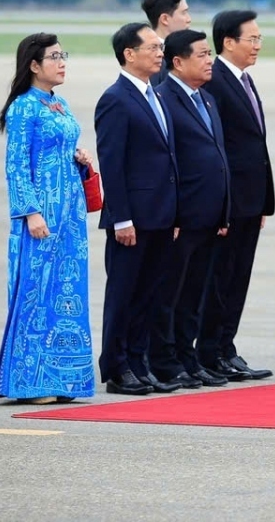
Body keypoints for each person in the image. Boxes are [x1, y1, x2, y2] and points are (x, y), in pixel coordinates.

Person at [0, 33, 95, 404]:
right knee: (38, 293)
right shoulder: (23, 108)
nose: (62, 61)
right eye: (54, 56)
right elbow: (16, 165)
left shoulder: (59, 104)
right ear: (34, 65)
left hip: (69, 216)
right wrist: (31, 211)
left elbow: (56, 154)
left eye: (62, 54)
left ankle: (65, 379)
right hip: (42, 216)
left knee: (67, 292)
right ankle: (31, 380)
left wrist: (79, 160)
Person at [95, 22, 181, 395]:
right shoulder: (115, 98)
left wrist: (174, 213)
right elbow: (112, 164)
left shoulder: (154, 95)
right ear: (129, 54)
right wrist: (122, 217)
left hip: (161, 216)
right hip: (133, 219)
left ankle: (138, 362)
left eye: (161, 46)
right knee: (124, 294)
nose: (160, 52)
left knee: (148, 294)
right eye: (152, 47)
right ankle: (116, 368)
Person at [149, 30, 231, 389]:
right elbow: (169, 165)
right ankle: (165, 359)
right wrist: (177, 214)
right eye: (201, 54)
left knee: (195, 293)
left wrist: (224, 211)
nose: (209, 60)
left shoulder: (207, 100)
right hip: (183, 217)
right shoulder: (165, 98)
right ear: (178, 62)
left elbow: (219, 159)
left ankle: (187, 354)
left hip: (211, 217)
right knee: (171, 293)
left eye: (210, 53)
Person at [199, 9, 274, 382]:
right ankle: (210, 351)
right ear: (228, 42)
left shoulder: (244, 80)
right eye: (253, 38)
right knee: (221, 279)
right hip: (229, 203)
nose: (258, 45)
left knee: (238, 278)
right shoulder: (216, 81)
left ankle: (226, 347)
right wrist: (226, 204)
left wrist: (262, 200)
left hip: (251, 201)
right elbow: (220, 149)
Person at [141, 0, 191, 85]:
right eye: (184, 13)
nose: (189, 19)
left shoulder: (185, 52)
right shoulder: (149, 61)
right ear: (165, 19)